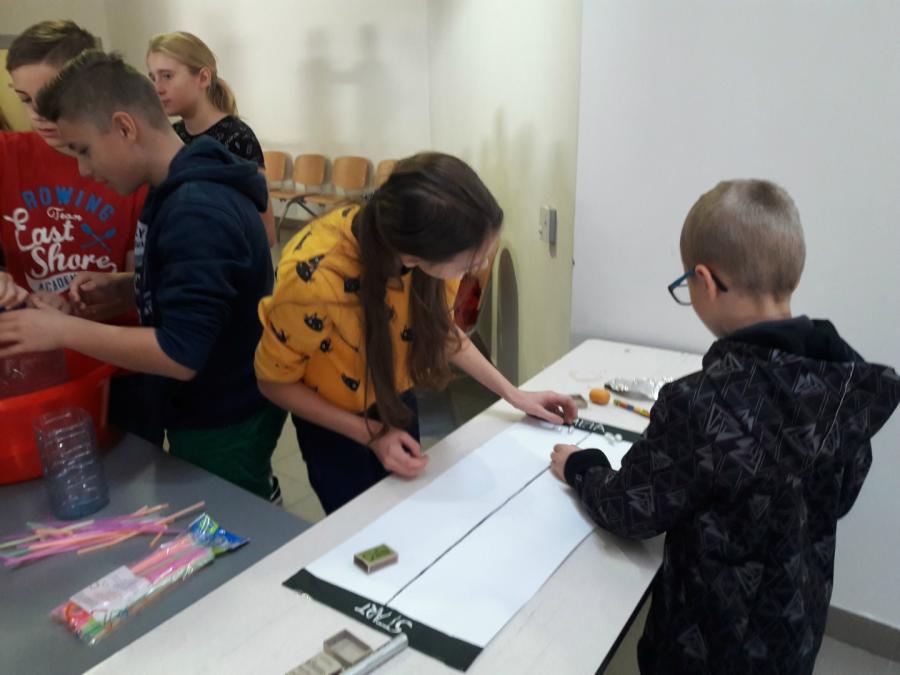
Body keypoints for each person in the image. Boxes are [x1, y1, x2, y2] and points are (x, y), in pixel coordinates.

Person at [550, 179, 900, 674]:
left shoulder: (700, 403)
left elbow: (631, 511)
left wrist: (583, 466)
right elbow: (839, 495)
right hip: (794, 630)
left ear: (705, 281)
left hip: (705, 647)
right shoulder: (845, 382)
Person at [0, 51, 284, 500]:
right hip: (202, 406)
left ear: (124, 127)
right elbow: (203, 293)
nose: (84, 170)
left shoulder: (197, 210)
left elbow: (181, 354)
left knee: (234, 515)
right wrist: (128, 288)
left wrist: (60, 331)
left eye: (83, 150)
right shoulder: (170, 187)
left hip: (223, 415)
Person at [255, 152, 577, 514]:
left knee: (406, 511)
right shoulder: (312, 280)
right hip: (333, 422)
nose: (482, 266)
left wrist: (514, 395)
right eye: (472, 261)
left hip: (395, 399)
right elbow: (273, 383)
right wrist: (371, 435)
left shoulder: (421, 261)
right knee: (361, 525)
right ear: (414, 255)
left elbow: (442, 331)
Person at [0, 20, 146, 314]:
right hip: (29, 335)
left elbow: (140, 288)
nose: (37, 113)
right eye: (25, 99)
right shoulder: (6, 152)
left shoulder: (132, 167)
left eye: (51, 97)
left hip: (110, 337)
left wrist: (76, 308)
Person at [146, 31, 275, 245]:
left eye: (167, 76)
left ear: (203, 78)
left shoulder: (237, 136)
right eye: (153, 77)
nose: (157, 88)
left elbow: (265, 232)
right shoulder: (171, 135)